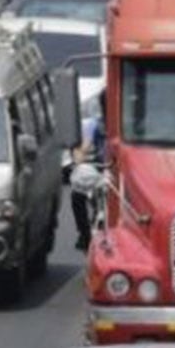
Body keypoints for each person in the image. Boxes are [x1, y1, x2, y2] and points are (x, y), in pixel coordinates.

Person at [69, 97, 105, 249]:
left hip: (120, 171)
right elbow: (84, 146)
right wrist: (78, 157)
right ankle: (84, 234)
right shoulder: (94, 125)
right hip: (100, 169)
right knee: (77, 194)